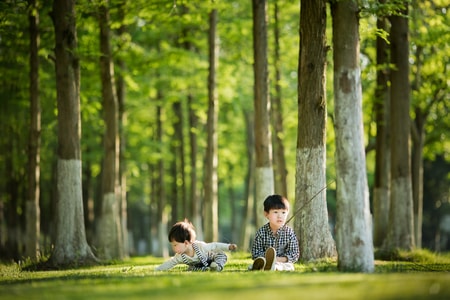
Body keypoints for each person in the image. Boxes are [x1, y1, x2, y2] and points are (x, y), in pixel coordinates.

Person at [155, 219, 237, 271]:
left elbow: (214, 245)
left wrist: (228, 247)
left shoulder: (200, 246)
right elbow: (170, 263)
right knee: (193, 268)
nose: (173, 248)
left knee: (221, 256)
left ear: (186, 243)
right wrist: (158, 269)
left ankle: (216, 267)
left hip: (213, 257)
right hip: (201, 265)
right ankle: (208, 268)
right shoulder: (180, 256)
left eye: (175, 245)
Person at [250, 194, 300, 271]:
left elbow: (294, 254)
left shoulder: (290, 233)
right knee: (252, 265)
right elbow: (255, 253)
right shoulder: (261, 232)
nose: (280, 216)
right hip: (265, 261)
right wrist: (268, 259)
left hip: (282, 263)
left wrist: (277, 260)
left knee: (289, 266)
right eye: (275, 212)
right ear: (266, 214)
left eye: (283, 212)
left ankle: (275, 268)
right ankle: (265, 266)